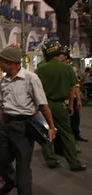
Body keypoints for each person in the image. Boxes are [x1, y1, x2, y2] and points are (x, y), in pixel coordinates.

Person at [0, 45, 56, 195]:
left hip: (23, 126)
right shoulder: (5, 80)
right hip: (7, 125)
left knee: (23, 165)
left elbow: (43, 105)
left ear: (11, 63)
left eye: (1, 62)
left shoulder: (31, 79)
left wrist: (51, 127)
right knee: (1, 160)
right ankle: (10, 181)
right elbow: (3, 105)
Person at [36, 41, 86, 171]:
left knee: (47, 132)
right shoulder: (67, 68)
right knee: (67, 134)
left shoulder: (41, 68)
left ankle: (51, 159)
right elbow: (72, 88)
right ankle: (74, 162)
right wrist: (70, 105)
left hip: (44, 105)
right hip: (60, 105)